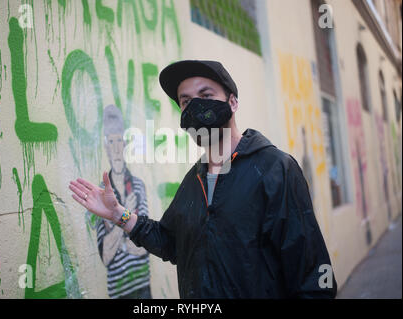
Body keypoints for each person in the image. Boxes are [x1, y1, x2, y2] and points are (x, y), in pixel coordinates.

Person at [69, 60, 337, 298]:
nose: (195, 106)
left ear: (232, 102)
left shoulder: (275, 169)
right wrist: (119, 215)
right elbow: (173, 243)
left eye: (205, 95)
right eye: (185, 102)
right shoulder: (193, 182)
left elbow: (312, 277)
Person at [85, 105, 152, 299]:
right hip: (119, 292)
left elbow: (145, 245)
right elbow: (106, 256)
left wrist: (115, 227)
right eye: (111, 142)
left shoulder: (138, 186)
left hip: (143, 286)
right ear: (105, 146)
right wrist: (127, 214)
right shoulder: (100, 195)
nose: (115, 148)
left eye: (119, 141)